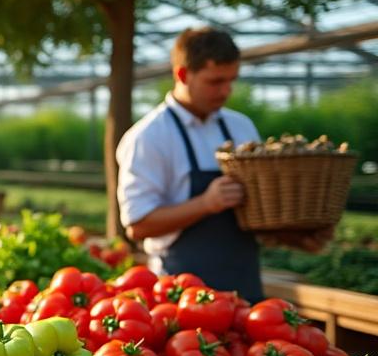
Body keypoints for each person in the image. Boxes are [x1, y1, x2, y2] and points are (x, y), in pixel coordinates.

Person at [116, 27, 329, 301]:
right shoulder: (149, 137)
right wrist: (206, 203)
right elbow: (138, 225)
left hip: (245, 287)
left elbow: (256, 213)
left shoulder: (240, 127)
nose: (226, 91)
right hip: (180, 295)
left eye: (231, 80)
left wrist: (296, 236)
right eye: (215, 81)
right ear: (182, 75)